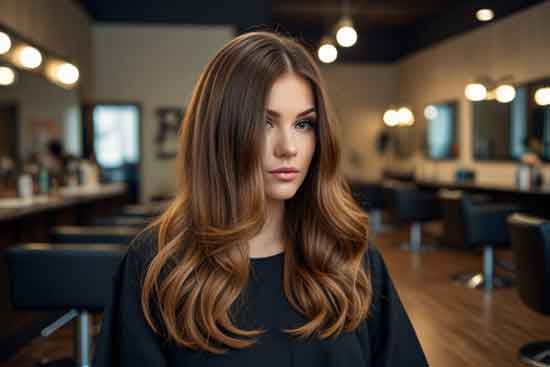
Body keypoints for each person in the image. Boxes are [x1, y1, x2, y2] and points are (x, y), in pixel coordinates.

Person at [92, 31, 428, 367]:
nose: (288, 147)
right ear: (220, 131)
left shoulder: (351, 257)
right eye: (264, 123)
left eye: (304, 124)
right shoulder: (156, 265)